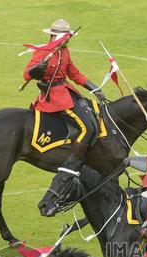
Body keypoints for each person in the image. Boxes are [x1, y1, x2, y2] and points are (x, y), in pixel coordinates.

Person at [23, 19, 106, 176]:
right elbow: (26, 75)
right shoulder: (42, 52)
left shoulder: (64, 51)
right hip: (54, 98)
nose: (67, 41)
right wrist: (37, 69)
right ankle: (74, 162)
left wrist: (94, 87)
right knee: (86, 127)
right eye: (65, 38)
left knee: (91, 113)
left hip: (67, 92)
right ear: (54, 36)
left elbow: (74, 73)